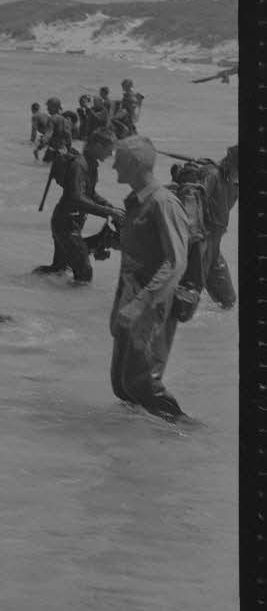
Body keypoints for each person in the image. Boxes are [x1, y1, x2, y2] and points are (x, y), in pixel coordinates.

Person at [108, 136, 190, 418]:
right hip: (130, 301)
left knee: (143, 385)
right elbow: (131, 261)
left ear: (135, 163)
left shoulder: (163, 202)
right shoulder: (136, 202)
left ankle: (187, 434)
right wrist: (119, 306)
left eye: (118, 160)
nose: (114, 166)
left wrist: (140, 304)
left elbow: (176, 262)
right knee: (122, 385)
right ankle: (136, 438)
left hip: (152, 305)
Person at [33, 128, 119, 284]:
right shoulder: (79, 165)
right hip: (65, 224)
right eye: (109, 150)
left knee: (58, 269)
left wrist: (110, 207)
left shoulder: (91, 165)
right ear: (98, 146)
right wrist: (107, 212)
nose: (111, 154)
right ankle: (67, 301)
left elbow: (90, 194)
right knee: (84, 274)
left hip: (69, 222)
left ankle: (29, 283)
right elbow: (76, 198)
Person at [193, 145, 238, 309]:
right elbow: (193, 204)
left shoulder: (234, 182)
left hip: (214, 247)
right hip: (200, 244)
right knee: (186, 300)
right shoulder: (211, 175)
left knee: (228, 300)